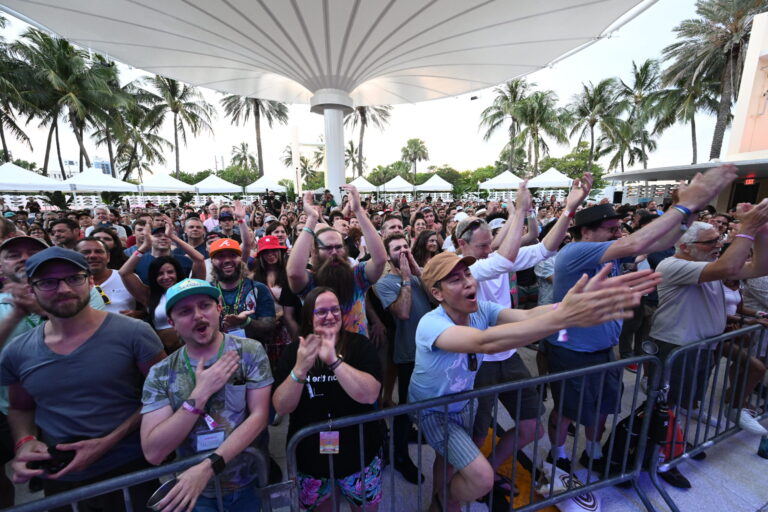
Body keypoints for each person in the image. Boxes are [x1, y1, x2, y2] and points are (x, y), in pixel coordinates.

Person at [409, 252, 652, 511]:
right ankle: (444, 501)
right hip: (434, 411)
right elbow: (486, 342)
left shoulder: (482, 309)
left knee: (447, 459)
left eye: (467, 274)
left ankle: (442, 501)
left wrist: (567, 306)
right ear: (437, 294)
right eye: (455, 280)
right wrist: (564, 318)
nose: (469, 282)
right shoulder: (431, 324)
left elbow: (528, 316)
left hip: (462, 403)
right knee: (481, 477)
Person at [544, 166, 737, 478]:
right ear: (586, 232)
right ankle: (558, 455)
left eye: (619, 228)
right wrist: (684, 204)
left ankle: (592, 452)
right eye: (610, 229)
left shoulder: (608, 253)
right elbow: (636, 244)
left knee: (605, 405)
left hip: (604, 347)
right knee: (567, 409)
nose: (618, 233)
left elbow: (658, 242)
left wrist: (689, 214)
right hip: (571, 347)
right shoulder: (576, 252)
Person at [0, 247, 164, 511]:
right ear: (32, 290)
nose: (63, 289)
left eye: (73, 278)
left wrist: (108, 442)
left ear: (90, 281)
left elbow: (162, 395)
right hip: (61, 479)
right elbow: (21, 408)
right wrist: (25, 442)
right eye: (48, 282)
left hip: (131, 470)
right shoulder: (17, 352)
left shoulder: (135, 334)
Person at [647, 205, 768, 486]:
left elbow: (760, 266)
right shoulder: (673, 265)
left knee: (681, 404)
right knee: (666, 405)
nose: (720, 244)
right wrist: (747, 228)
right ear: (687, 247)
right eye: (712, 241)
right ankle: (661, 459)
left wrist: (760, 231)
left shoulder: (706, 267)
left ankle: (673, 447)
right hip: (675, 347)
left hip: (700, 347)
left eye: (720, 238)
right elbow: (728, 266)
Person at [140, 279, 273, 511]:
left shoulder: (249, 351)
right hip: (193, 493)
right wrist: (198, 397)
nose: (198, 315)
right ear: (172, 322)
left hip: (247, 484)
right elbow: (154, 452)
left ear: (219, 308)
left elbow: (259, 417)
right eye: (185, 311)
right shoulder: (161, 373)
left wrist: (209, 466)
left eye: (205, 305)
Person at [272, 287, 384, 511]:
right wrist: (300, 369)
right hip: (310, 458)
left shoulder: (360, 346)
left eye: (335, 310)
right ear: (308, 317)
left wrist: (333, 361)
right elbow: (281, 406)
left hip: (360, 454)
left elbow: (370, 394)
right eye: (321, 312)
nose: (330, 316)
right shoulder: (295, 351)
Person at [287, 186, 387, 337]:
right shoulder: (310, 283)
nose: (334, 253)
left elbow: (380, 260)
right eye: (328, 248)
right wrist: (312, 219)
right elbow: (294, 273)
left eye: (338, 247)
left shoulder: (357, 277)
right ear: (314, 251)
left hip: (358, 353)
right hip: (321, 354)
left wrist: (359, 211)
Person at [373, 233, 430, 484]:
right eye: (397, 248)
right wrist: (406, 278)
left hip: (431, 349)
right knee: (406, 406)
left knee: (422, 403)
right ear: (388, 255)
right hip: (408, 353)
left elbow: (439, 298)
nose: (404, 251)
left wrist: (418, 273)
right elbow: (403, 312)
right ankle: (400, 456)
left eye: (406, 246)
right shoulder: (384, 283)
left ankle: (408, 435)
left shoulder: (419, 277)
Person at [120, 225, 206, 351]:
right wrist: (144, 247)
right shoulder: (149, 295)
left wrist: (173, 237)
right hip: (164, 352)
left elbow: (199, 259)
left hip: (195, 348)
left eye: (170, 272)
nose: (166, 277)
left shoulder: (189, 289)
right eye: (160, 274)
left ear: (177, 272)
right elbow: (124, 273)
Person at [209, 238, 276, 341]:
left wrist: (246, 322)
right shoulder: (207, 292)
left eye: (232, 255)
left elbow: (270, 328)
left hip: (253, 353)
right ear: (212, 261)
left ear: (240, 259)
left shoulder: (258, 289)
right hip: (217, 353)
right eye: (220, 256)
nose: (227, 260)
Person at [250, 235, 301, 368]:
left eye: (274, 250)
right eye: (266, 252)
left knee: (289, 364)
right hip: (265, 329)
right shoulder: (253, 277)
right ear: (260, 255)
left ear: (280, 252)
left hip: (288, 328)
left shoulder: (289, 274)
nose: (270, 254)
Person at [76, 237, 141, 318]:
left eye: (99, 252)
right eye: (86, 252)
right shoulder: (66, 284)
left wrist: (138, 314)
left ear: (108, 257)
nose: (93, 255)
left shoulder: (128, 278)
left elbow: (148, 307)